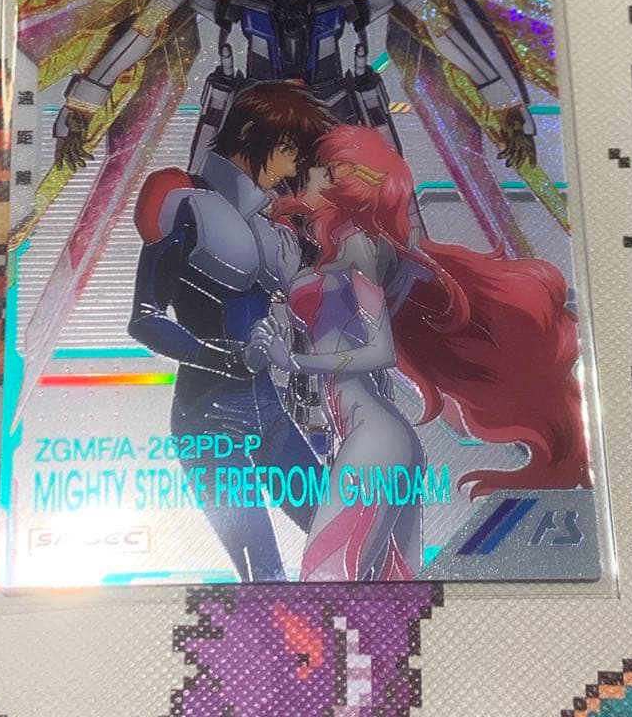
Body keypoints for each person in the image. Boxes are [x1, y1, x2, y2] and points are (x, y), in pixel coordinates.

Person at [247, 124, 592, 582]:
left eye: (322, 170)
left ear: (347, 183)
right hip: (378, 441)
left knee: (325, 582)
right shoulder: (340, 250)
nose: (307, 175)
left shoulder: (360, 248)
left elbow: (380, 351)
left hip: (375, 441)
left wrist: (295, 361)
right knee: (394, 597)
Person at [128, 82, 334, 582]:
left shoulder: (271, 226)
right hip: (208, 420)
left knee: (338, 537)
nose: (292, 163)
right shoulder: (187, 205)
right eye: (287, 147)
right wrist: (223, 358)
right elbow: (145, 317)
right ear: (249, 134)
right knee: (264, 575)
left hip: (271, 411)